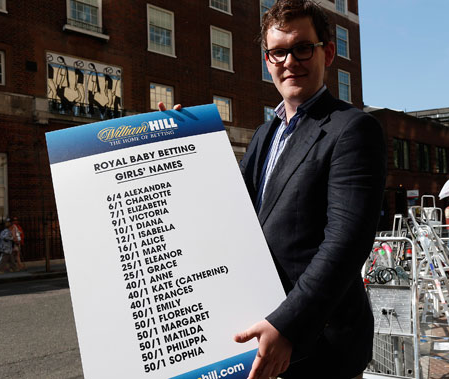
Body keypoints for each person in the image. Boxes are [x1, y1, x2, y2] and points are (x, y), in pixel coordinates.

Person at [158, 1, 385, 377]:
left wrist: (287, 323)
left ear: (327, 52)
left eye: (302, 48)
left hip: (320, 344)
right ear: (267, 60)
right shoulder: (266, 134)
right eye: (278, 51)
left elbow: (346, 243)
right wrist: (178, 151)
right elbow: (231, 213)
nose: (289, 61)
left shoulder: (353, 128)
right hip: (260, 334)